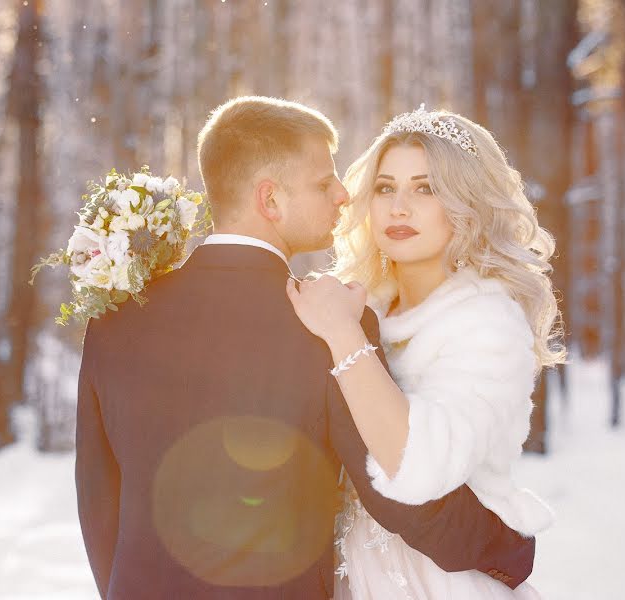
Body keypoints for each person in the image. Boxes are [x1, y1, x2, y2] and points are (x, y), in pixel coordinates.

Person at [75, 97, 537, 599]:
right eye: (323, 183)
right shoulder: (329, 324)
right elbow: (397, 497)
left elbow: (98, 500)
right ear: (270, 201)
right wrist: (510, 549)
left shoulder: (114, 321)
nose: (343, 196)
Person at [286, 104, 563, 599]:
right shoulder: (362, 303)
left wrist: (344, 337)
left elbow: (418, 469)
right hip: (347, 573)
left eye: (425, 189)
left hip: (441, 579)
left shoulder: (489, 322)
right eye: (386, 188)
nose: (399, 208)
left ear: (467, 202)